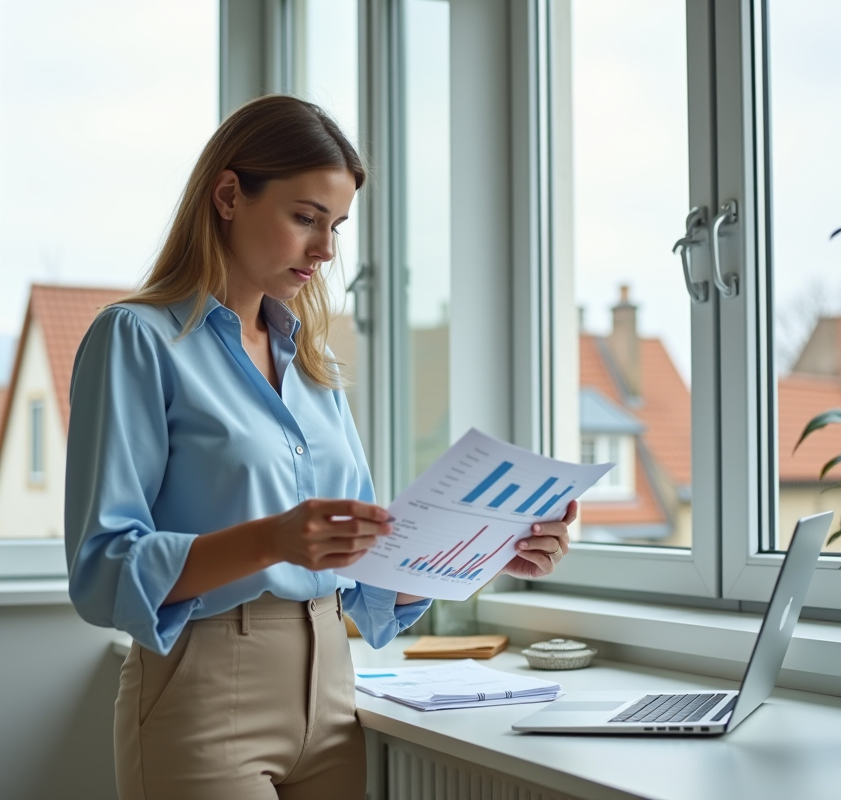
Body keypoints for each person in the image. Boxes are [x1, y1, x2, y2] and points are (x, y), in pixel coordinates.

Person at [63, 94, 577, 800]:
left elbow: (364, 574)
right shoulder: (137, 340)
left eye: (336, 225)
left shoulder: (312, 363)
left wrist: (491, 551)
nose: (327, 249)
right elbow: (103, 569)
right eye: (305, 218)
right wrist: (273, 539)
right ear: (228, 195)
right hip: (205, 697)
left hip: (334, 696)